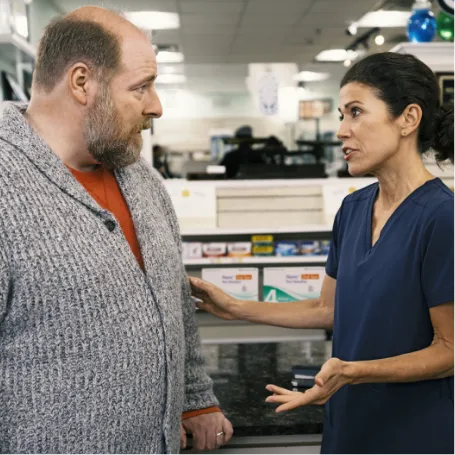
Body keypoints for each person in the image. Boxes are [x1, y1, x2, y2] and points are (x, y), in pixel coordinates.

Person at [190, 52, 455, 455]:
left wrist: (354, 372)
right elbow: (327, 309)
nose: (341, 131)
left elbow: (450, 351)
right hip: (348, 423)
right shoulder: (353, 210)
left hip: (414, 431)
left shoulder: (442, 217)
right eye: (340, 115)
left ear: (408, 118)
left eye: (355, 113)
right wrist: (235, 307)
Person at [0, 7, 233, 454]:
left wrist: (195, 398)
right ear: (82, 82)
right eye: (141, 86)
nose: (156, 106)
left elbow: (174, 301)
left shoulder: (139, 177)